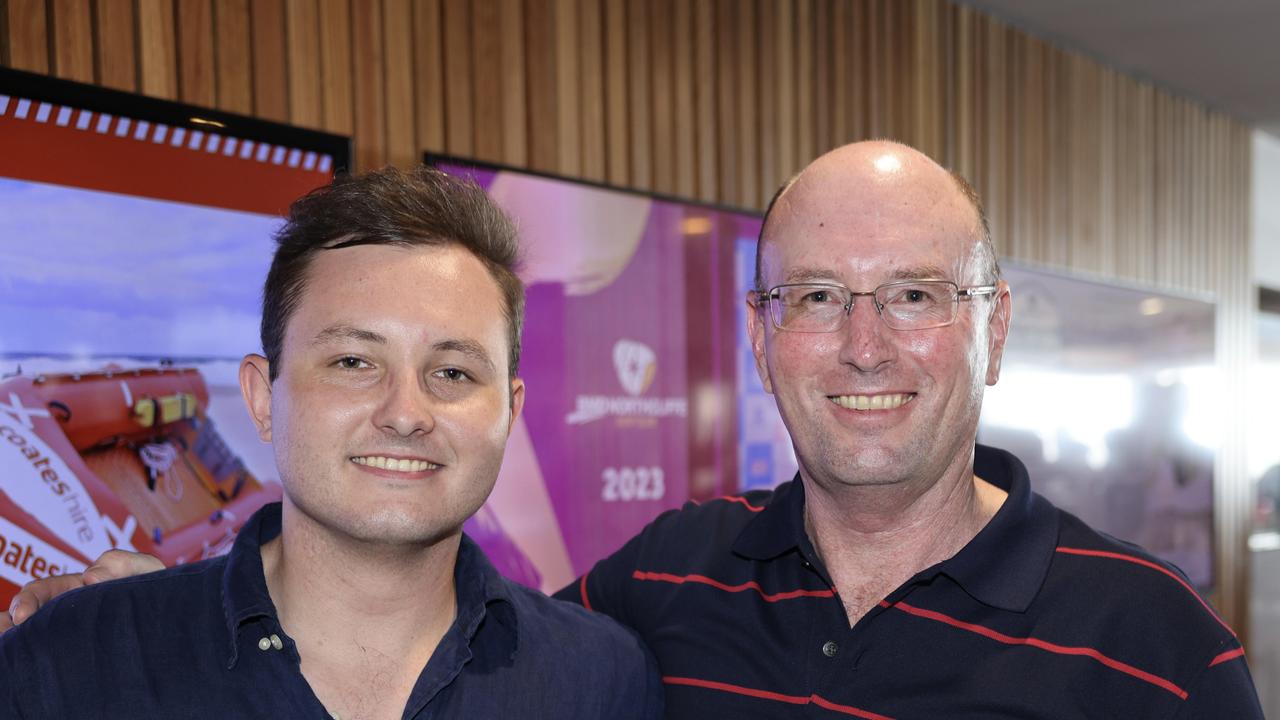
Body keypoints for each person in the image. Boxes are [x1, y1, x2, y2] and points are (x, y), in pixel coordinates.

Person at [6, 141, 1263, 719]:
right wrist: (137, 604)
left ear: (989, 330)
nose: (864, 345)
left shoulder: (1159, 652)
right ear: (762, 333)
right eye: (818, 297)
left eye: (916, 297)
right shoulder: (656, 597)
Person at [0, 166, 662, 719]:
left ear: (510, 413)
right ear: (262, 398)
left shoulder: (602, 682)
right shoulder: (76, 662)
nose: (406, 414)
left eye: (453, 372)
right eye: (353, 362)